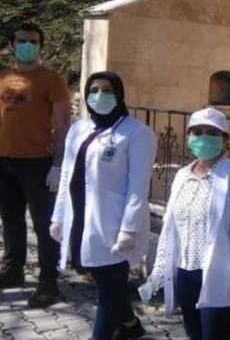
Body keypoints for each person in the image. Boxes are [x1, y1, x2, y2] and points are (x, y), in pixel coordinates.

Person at [49, 71, 156, 340]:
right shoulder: (79, 128)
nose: (100, 96)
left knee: (109, 285)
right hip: (80, 216)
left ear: (119, 94)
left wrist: (129, 228)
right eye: (94, 90)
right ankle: (131, 325)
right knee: (103, 278)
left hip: (113, 221)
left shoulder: (137, 133)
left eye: (107, 90)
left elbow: (138, 185)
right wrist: (59, 216)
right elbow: (67, 175)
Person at [147, 107, 230, 340]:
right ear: (189, 137)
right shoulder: (182, 176)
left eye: (212, 133)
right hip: (185, 273)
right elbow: (170, 226)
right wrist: (159, 268)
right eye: (197, 132)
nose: (203, 138)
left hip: (219, 274)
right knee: (194, 334)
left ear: (225, 140)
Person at [0, 23, 71, 307]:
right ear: (11, 45)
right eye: (22, 41)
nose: (27, 46)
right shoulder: (3, 76)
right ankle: (12, 269)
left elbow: (63, 124)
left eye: (33, 42)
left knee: (43, 223)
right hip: (4, 161)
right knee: (10, 218)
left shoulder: (51, 79)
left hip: (38, 163)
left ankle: (48, 280)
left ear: (41, 46)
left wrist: (58, 164)